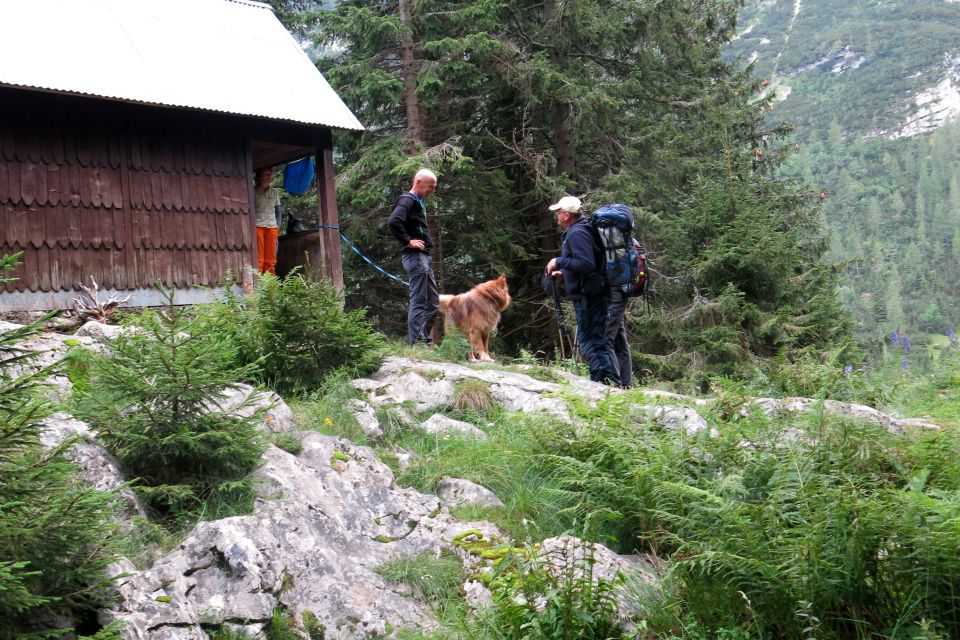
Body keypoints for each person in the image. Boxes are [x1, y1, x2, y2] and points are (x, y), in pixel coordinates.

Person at [545, 196, 620, 386]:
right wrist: (565, 272)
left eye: (558, 212)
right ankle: (608, 383)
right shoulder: (584, 229)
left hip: (590, 295)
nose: (557, 215)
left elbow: (586, 263)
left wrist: (559, 261)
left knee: (591, 341)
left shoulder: (577, 233)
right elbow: (586, 262)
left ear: (567, 215)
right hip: (594, 291)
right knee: (596, 339)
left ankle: (603, 385)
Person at [388, 168, 440, 346]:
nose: (432, 191)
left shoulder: (417, 202)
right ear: (418, 182)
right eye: (430, 187)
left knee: (433, 302)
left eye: (434, 187)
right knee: (419, 300)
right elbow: (394, 222)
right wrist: (408, 241)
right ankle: (416, 345)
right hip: (415, 257)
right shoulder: (407, 200)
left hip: (424, 257)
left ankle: (424, 342)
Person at [253, 167, 281, 275]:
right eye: (266, 174)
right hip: (258, 226)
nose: (269, 177)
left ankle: (270, 288)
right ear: (259, 177)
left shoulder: (274, 192)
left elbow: (278, 212)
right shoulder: (253, 191)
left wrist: (277, 227)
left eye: (270, 174)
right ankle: (259, 287)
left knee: (271, 260)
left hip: (272, 227)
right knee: (259, 260)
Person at [606, 284, 633, 388]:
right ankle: (625, 384)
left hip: (612, 295)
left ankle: (614, 383)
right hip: (617, 294)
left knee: (605, 340)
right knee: (619, 342)